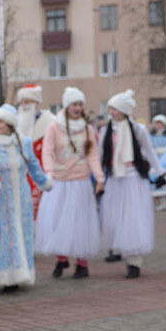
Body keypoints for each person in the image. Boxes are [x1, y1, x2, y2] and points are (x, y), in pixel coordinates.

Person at [36, 87, 104, 278]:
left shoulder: (87, 129)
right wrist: (48, 173)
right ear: (66, 106)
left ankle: (82, 263)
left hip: (80, 182)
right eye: (74, 104)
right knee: (58, 221)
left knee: (81, 223)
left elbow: (93, 156)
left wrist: (99, 178)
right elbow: (47, 152)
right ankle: (62, 259)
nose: (77, 108)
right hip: (59, 182)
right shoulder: (54, 127)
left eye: (80, 104)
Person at [0, 104, 52, 290]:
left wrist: (45, 182)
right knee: (4, 235)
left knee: (22, 233)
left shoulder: (24, 143)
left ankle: (22, 273)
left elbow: (33, 165)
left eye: (1, 121)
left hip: (22, 198)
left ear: (10, 124)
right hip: (0, 201)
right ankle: (5, 277)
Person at [98, 90, 161, 278]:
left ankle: (134, 261)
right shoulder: (105, 131)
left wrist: (160, 172)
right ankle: (118, 249)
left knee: (133, 218)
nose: (111, 112)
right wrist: (99, 178)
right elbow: (100, 156)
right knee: (116, 217)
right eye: (110, 108)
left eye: (114, 108)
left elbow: (150, 152)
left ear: (124, 110)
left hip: (134, 179)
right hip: (115, 179)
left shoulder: (137, 130)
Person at [13, 84, 55, 218]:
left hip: (43, 170)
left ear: (36, 103)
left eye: (27, 102)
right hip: (22, 172)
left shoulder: (50, 122)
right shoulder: (16, 122)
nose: (24, 105)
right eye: (22, 102)